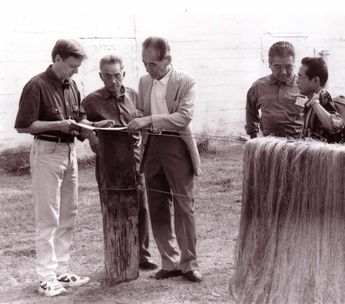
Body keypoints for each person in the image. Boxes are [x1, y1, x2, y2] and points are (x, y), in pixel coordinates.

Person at [14, 39, 113, 297]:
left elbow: (79, 119)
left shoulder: (72, 86)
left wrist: (93, 128)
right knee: (48, 217)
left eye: (78, 67)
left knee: (69, 213)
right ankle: (46, 277)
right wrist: (57, 125)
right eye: (72, 66)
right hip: (46, 152)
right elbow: (24, 126)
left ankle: (62, 271)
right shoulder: (36, 86)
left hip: (70, 153)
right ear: (57, 59)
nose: (76, 71)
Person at [127, 37, 203, 283]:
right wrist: (134, 117)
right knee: (157, 204)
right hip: (152, 147)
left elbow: (183, 118)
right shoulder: (144, 81)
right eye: (145, 64)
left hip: (176, 146)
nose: (149, 69)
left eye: (153, 64)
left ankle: (189, 263)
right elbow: (140, 110)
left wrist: (148, 120)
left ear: (167, 59)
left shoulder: (186, 81)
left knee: (184, 205)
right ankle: (169, 263)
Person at [82, 54, 158, 271]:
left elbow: (145, 119)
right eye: (107, 76)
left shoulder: (135, 95)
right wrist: (93, 131)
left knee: (141, 207)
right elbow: (80, 123)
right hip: (108, 163)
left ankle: (142, 255)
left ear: (123, 73)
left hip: (135, 161)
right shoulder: (91, 100)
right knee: (113, 207)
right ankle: (118, 253)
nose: (113, 81)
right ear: (100, 76)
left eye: (117, 76)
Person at [245, 41, 305, 139]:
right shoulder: (258, 86)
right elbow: (251, 113)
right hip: (270, 145)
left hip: (299, 145)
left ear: (294, 64)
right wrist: (254, 138)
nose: (283, 72)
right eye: (277, 67)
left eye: (288, 66)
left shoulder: (304, 85)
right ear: (270, 65)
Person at [297, 56, 345, 143]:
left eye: (300, 77)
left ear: (315, 80)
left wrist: (316, 104)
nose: (297, 81)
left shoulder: (322, 96)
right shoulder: (312, 101)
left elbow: (336, 124)